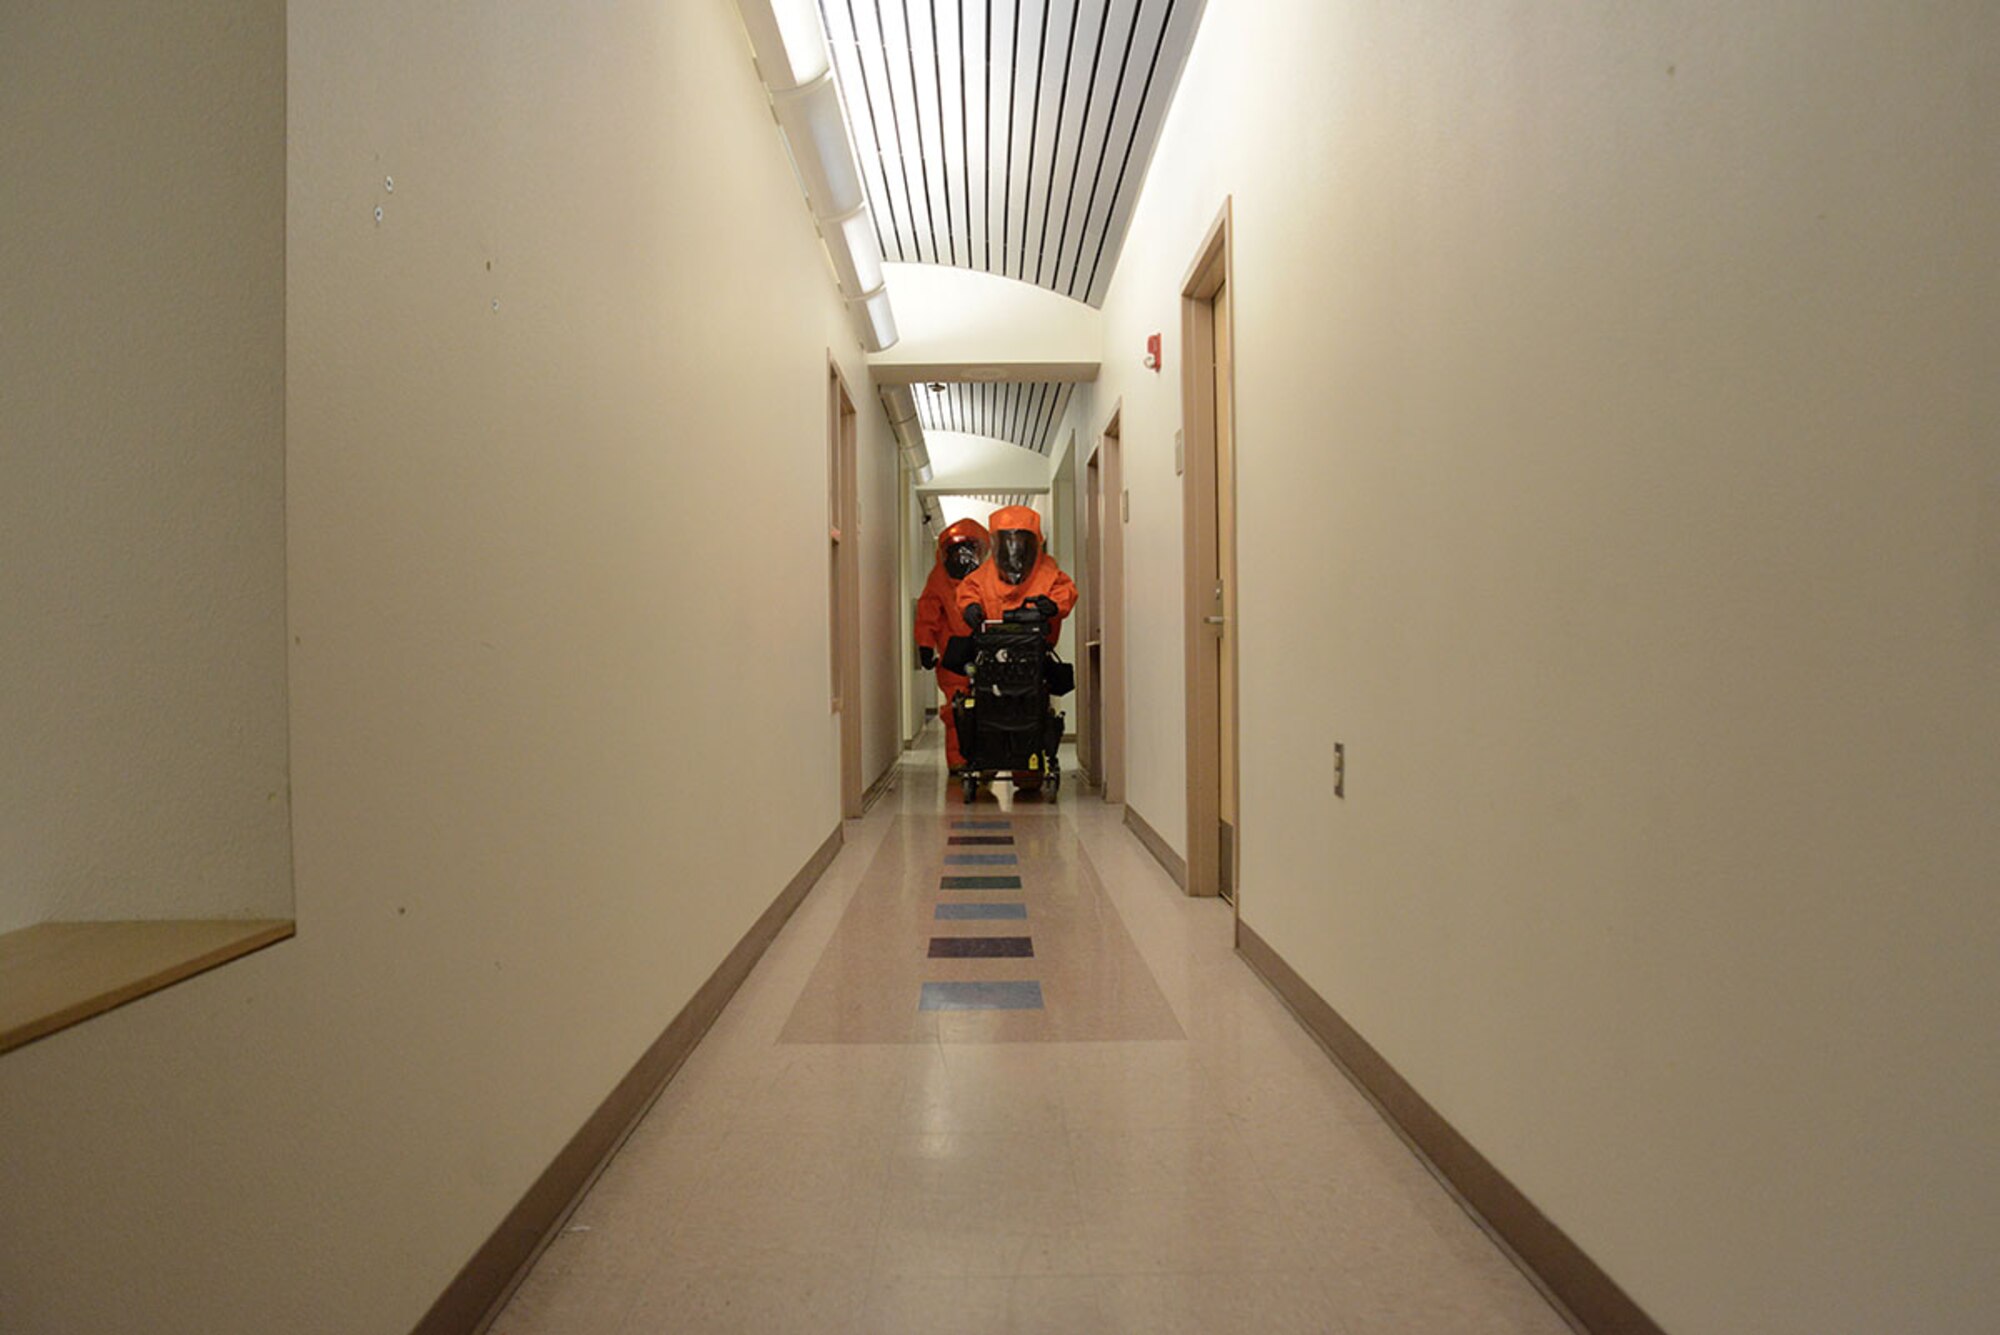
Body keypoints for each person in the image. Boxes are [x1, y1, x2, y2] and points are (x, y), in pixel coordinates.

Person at [913, 518, 989, 768]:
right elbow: (928, 614)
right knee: (957, 709)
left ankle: (986, 760)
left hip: (984, 649)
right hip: (954, 656)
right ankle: (958, 761)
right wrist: (925, 646)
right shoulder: (939, 579)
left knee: (988, 706)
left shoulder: (987, 578)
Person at [954, 505, 1077, 639]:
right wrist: (970, 607)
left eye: (1021, 541)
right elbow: (967, 593)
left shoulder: (1048, 574)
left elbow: (1066, 592)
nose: (1013, 549)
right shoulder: (982, 577)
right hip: (993, 646)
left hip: (1036, 647)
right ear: (997, 544)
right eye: (1007, 541)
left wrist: (1054, 606)